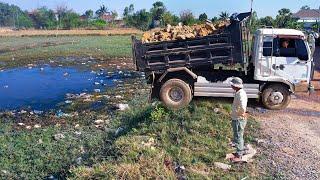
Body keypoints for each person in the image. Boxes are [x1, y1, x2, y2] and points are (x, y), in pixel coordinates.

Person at [230, 77, 248, 162]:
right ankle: (239, 150)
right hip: (237, 118)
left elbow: (242, 107)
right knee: (237, 135)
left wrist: (239, 114)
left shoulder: (241, 94)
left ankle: (239, 155)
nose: (231, 86)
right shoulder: (239, 92)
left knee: (238, 136)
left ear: (236, 85)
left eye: (232, 84)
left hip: (238, 119)